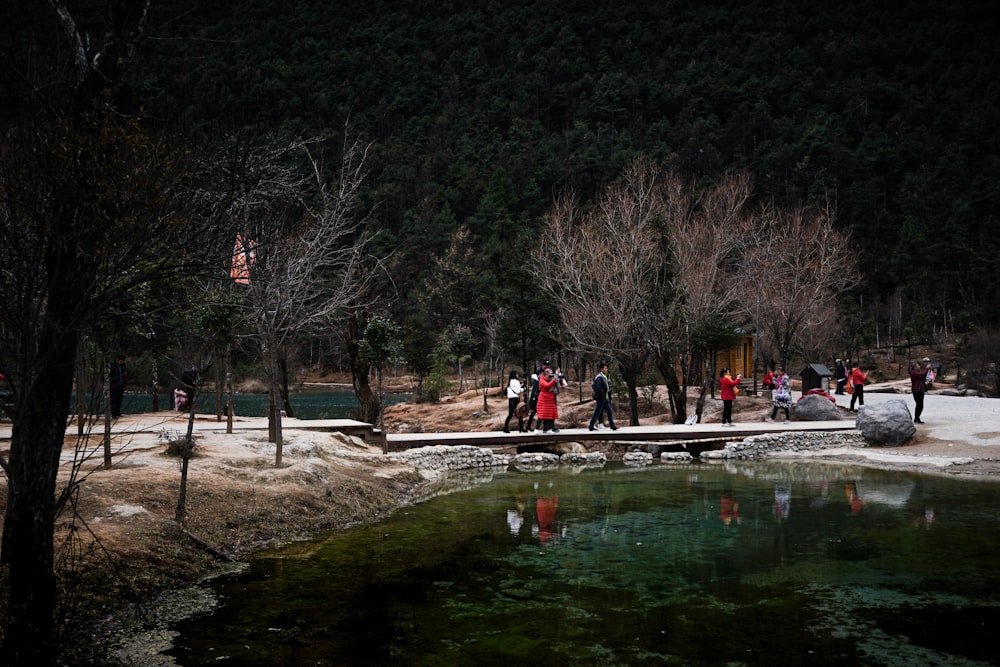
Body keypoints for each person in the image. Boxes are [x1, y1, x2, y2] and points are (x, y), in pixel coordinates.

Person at [588, 362, 618, 431]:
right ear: (601, 369)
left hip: (605, 398)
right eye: (605, 368)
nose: (606, 369)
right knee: (597, 412)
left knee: (609, 411)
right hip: (601, 398)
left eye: (606, 368)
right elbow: (597, 388)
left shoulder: (603, 376)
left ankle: (612, 426)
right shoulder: (599, 377)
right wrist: (602, 395)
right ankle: (591, 425)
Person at [536, 366, 560, 433]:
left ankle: (548, 429)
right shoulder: (541, 379)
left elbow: (558, 387)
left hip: (550, 398)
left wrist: (557, 380)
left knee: (549, 414)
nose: (550, 375)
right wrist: (554, 378)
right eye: (549, 374)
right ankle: (537, 428)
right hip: (543, 398)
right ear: (545, 373)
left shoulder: (551, 379)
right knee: (542, 414)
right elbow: (547, 385)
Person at [909, 359, 931, 424]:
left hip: (918, 390)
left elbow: (922, 375)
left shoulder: (915, 372)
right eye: (918, 365)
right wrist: (926, 369)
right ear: (915, 367)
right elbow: (922, 374)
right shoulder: (914, 373)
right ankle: (916, 419)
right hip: (917, 390)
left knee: (919, 405)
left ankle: (917, 418)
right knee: (919, 405)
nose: (919, 366)